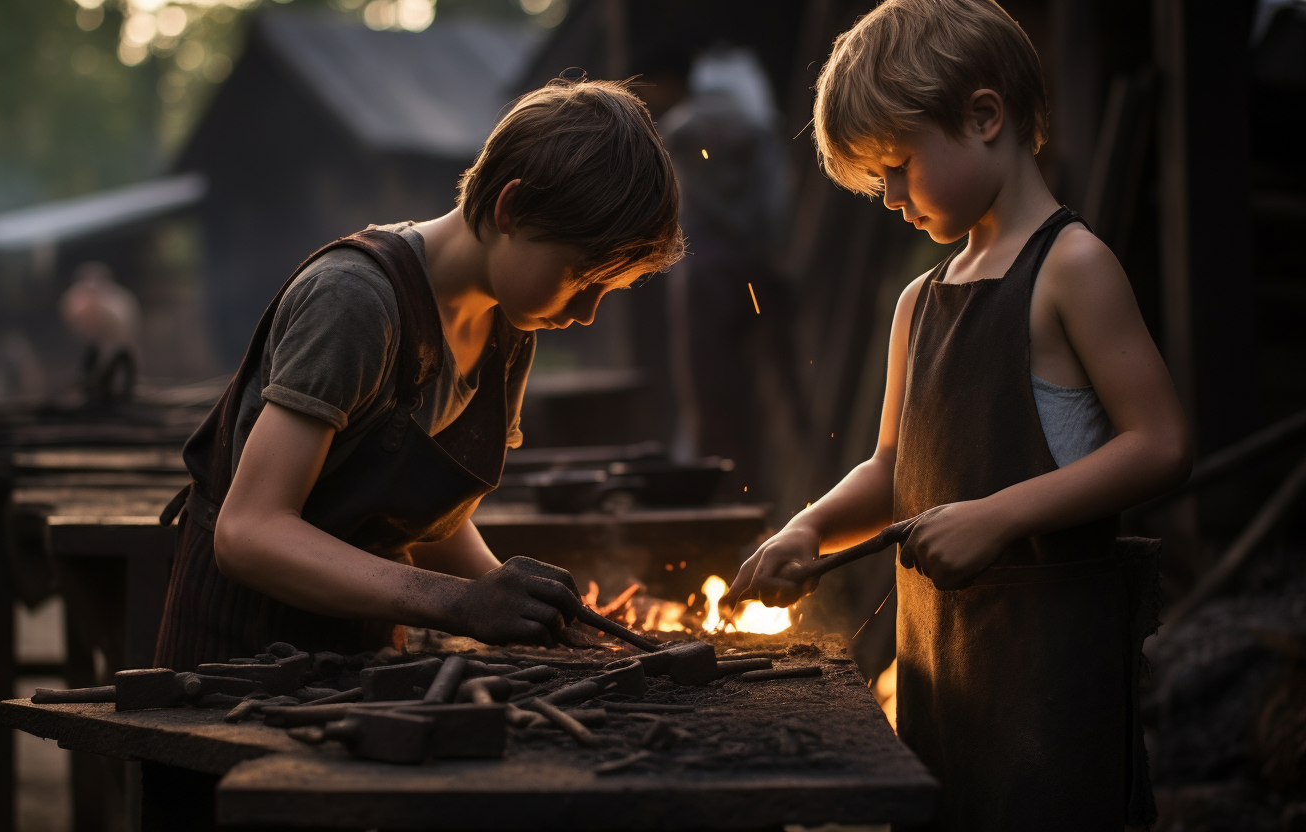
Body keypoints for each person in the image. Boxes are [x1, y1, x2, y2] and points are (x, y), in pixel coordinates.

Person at [721, 2, 1191, 829]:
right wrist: (807, 528)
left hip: (1053, 677)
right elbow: (890, 470)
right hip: (938, 667)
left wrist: (997, 517)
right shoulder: (920, 301)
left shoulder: (1074, 268)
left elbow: (1161, 444)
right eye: (878, 178)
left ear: (983, 116)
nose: (893, 196)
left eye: (900, 164)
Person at [155, 79, 684, 669]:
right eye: (581, 279)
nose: (586, 314)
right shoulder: (355, 302)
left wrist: (524, 606)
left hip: (359, 654)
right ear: (510, 208)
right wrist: (460, 603)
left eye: (606, 292)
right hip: (235, 655)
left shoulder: (510, 330)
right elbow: (250, 533)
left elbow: (422, 517)